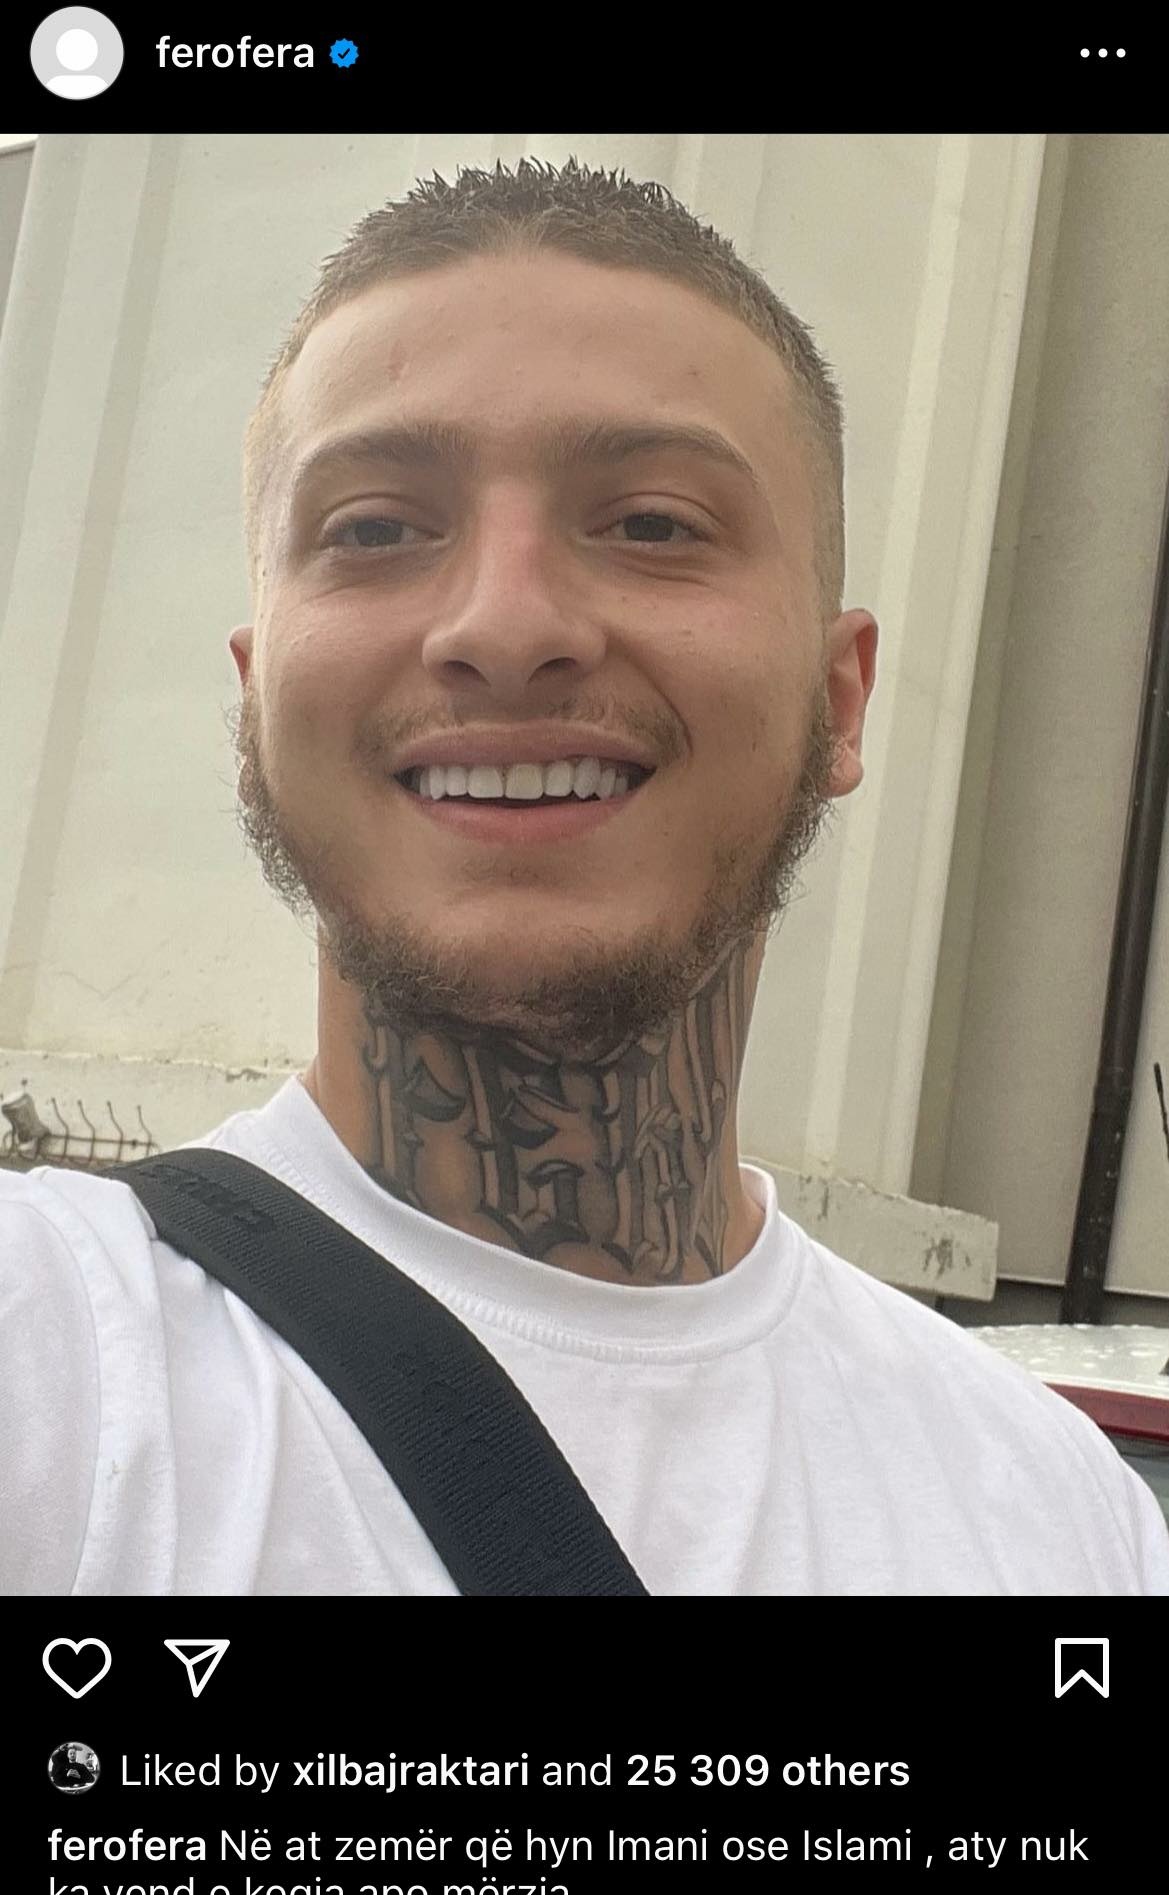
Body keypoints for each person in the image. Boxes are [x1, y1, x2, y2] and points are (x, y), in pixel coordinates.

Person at [2, 158, 1166, 1596]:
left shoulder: (1066, 1514)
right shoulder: (45, 1353)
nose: (505, 627)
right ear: (257, 701)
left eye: (653, 522)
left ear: (838, 700)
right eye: (374, 529)